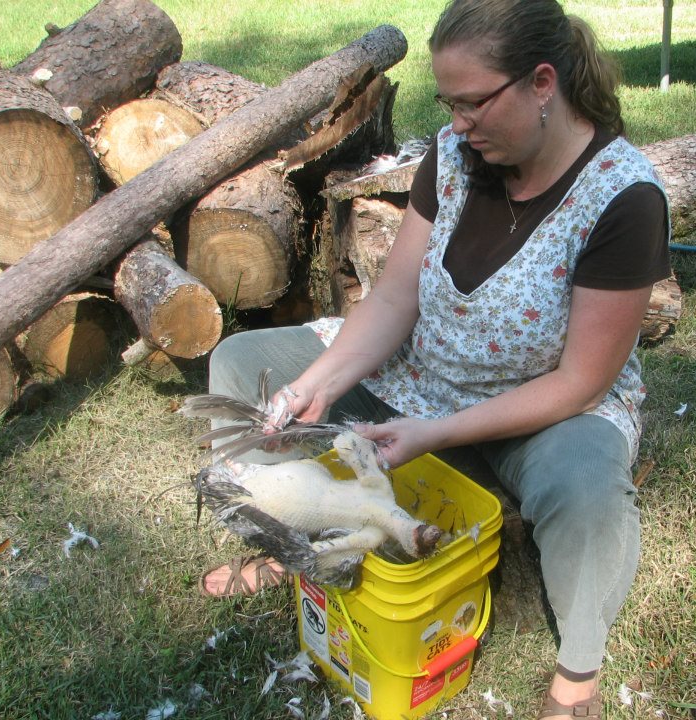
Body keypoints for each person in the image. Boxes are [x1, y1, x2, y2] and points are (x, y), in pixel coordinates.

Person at [201, 0, 671, 716]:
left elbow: (581, 381)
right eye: (448, 104)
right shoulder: (455, 158)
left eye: (474, 103)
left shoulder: (625, 197)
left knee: (586, 492)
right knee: (242, 364)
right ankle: (301, 542)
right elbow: (393, 301)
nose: (457, 124)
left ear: (543, 83)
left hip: (541, 406)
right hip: (422, 372)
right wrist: (319, 382)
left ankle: (577, 678)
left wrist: (434, 434)